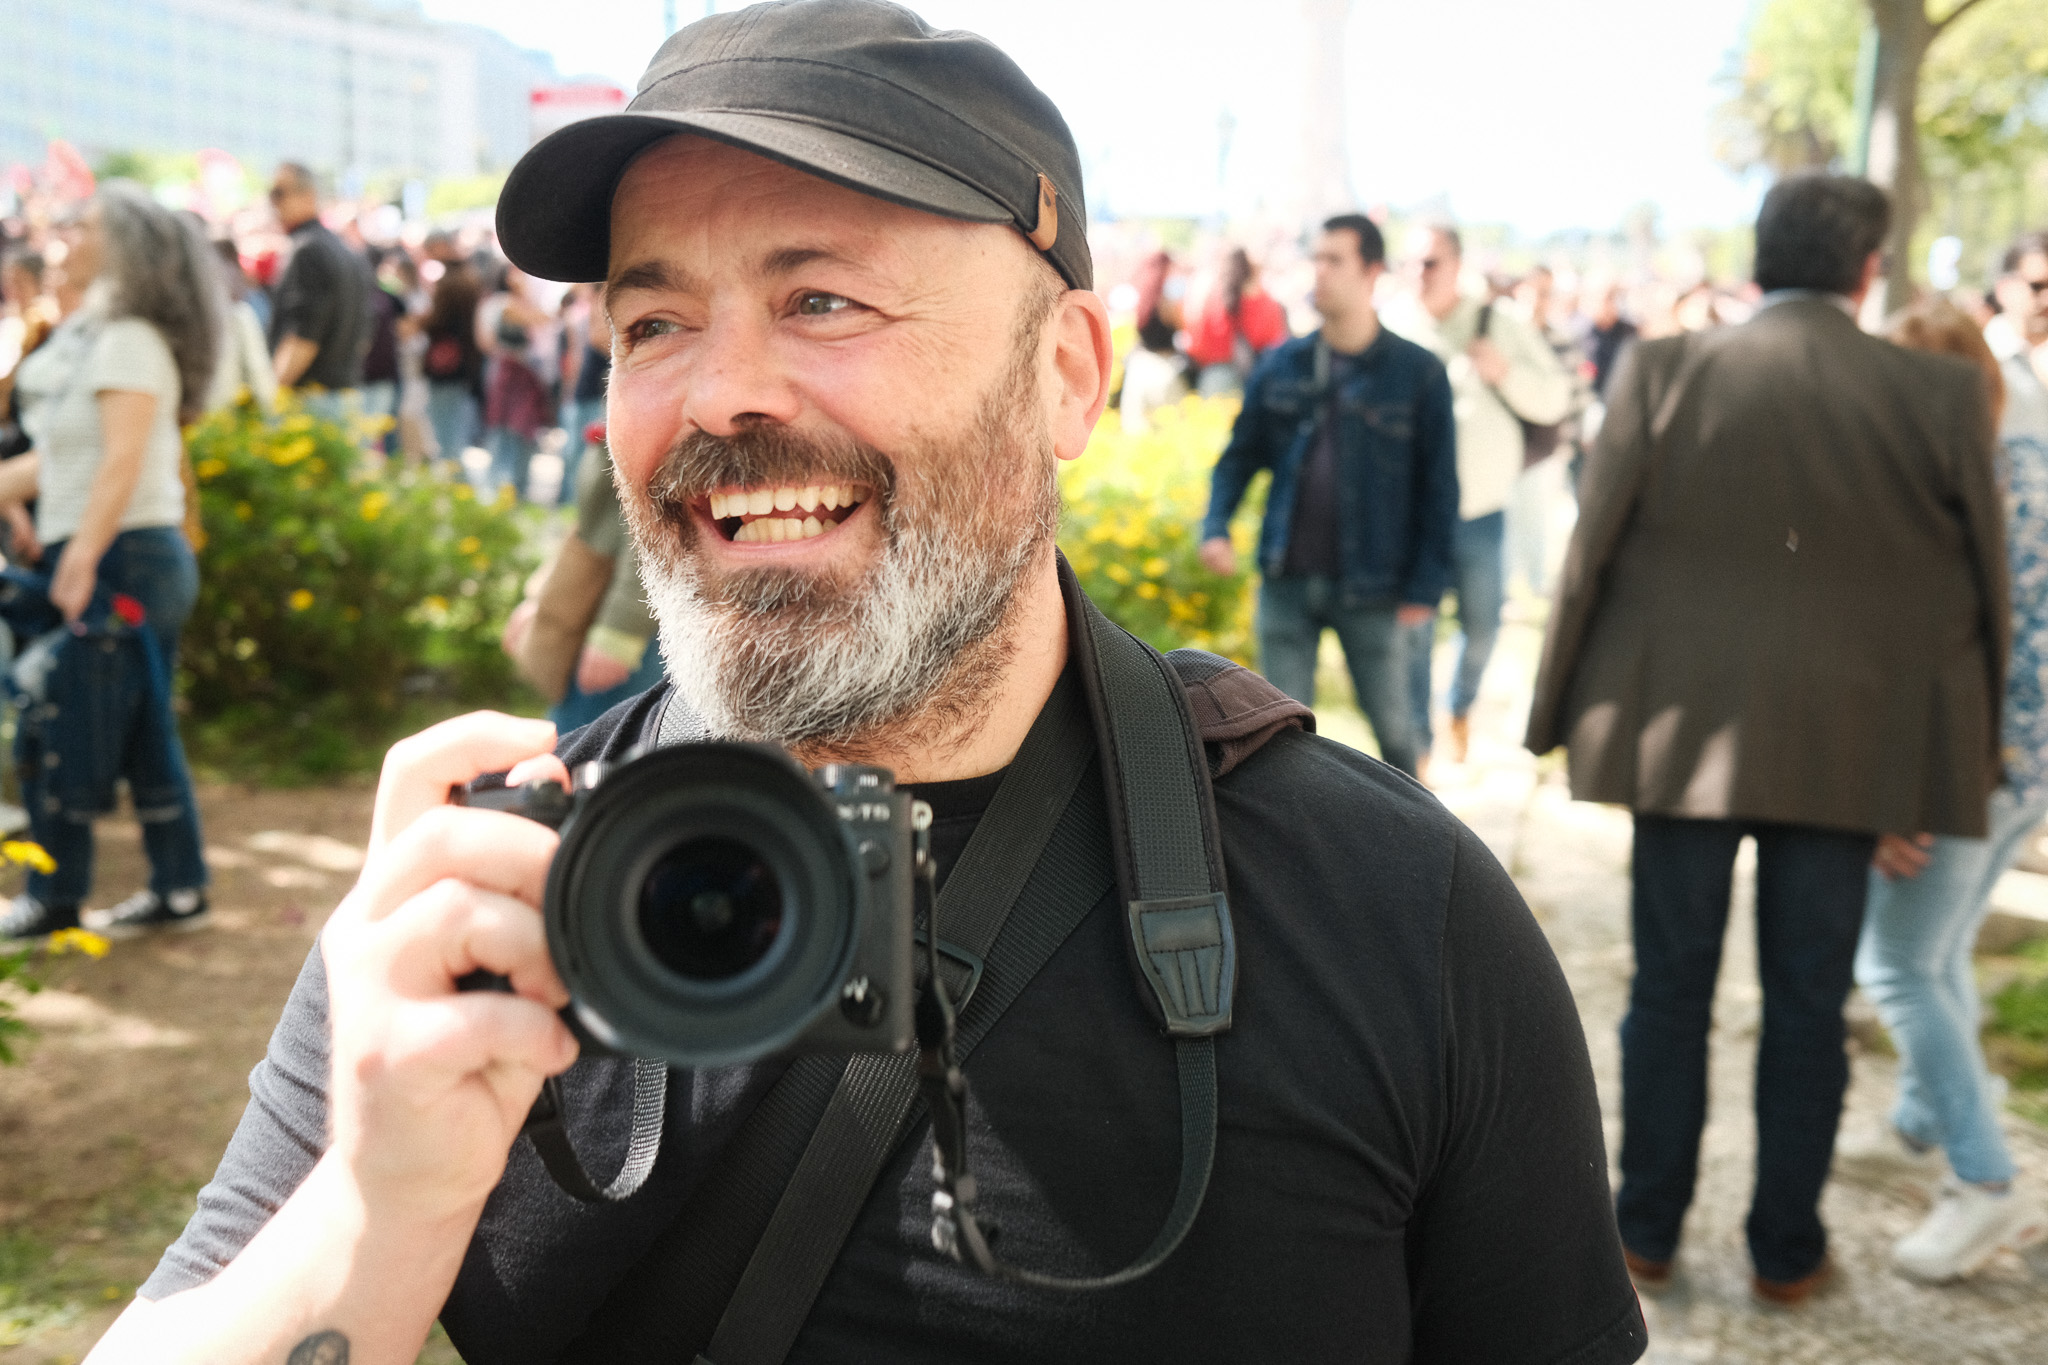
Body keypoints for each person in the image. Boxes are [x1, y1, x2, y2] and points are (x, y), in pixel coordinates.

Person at [92, 6, 1646, 1363]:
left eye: (822, 298)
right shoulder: (492, 899)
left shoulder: (1395, 914)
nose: (721, 393)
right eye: (652, 322)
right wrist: (377, 1204)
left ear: (1066, 374)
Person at [1526, 174, 2009, 1306]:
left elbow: (1590, 551)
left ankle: (1643, 1231)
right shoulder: (1935, 392)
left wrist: (1551, 717)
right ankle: (1784, 1251)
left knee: (1666, 993)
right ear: (1868, 269)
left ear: (1758, 257)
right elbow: (1978, 594)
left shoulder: (1663, 369)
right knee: (1807, 1008)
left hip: (1679, 739)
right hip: (1851, 752)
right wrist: (1951, 770)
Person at [1854, 298, 2048, 1283]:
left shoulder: (1969, 491)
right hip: (2024, 762)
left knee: (1894, 963)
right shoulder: (2016, 463)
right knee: (1936, 950)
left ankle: (1984, 1178)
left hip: (1976, 763)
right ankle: (1924, 1120)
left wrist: (1906, 796)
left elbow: (1960, 662)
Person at [0, 181, 220, 942]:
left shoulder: (127, 339)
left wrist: (83, 555)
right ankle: (178, 889)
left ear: (122, 246)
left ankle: (55, 895)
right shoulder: (101, 335)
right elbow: (65, 460)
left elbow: (122, 461)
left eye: (84, 224)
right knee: (141, 728)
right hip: (120, 553)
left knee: (60, 718)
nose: (67, 232)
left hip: (126, 555)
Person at [1197, 214, 1456, 778]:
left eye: (1335, 259)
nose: (1319, 271)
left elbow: (1439, 491)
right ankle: (1292, 833)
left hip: (1374, 586)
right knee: (1275, 742)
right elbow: (1239, 457)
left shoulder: (1418, 374)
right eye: (1315, 258)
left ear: (1372, 271)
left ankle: (1420, 827)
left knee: (1396, 732)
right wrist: (1216, 526)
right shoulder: (1281, 364)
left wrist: (1425, 586)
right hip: (1286, 578)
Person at [1384, 225, 1570, 770]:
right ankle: (1419, 750)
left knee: (1484, 627)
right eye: (1410, 263)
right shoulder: (1392, 326)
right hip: (1412, 514)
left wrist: (1503, 371)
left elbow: (1555, 397)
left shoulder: (1499, 323)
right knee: (1413, 634)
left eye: (1430, 263)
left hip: (1480, 511)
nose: (1419, 274)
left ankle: (1459, 708)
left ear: (1457, 264)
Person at [266, 162, 372, 420]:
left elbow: (303, 336)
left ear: (308, 196)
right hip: (343, 392)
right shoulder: (342, 248)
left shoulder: (308, 250)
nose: (273, 203)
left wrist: (269, 399)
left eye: (279, 193)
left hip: (310, 399)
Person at [1183, 245, 1288, 395]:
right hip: (1239, 376)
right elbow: (1274, 341)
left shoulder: (1206, 289)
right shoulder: (1258, 300)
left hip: (1210, 375)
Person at [419, 231, 485, 464]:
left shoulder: (451, 281)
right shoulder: (467, 275)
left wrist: (419, 322)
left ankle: (453, 481)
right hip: (464, 363)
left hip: (448, 366)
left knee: (447, 435)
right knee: (454, 429)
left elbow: (437, 321)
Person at [1117, 248, 1188, 433]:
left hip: (1140, 365)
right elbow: (1180, 323)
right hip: (1163, 368)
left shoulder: (1141, 292)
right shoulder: (1165, 299)